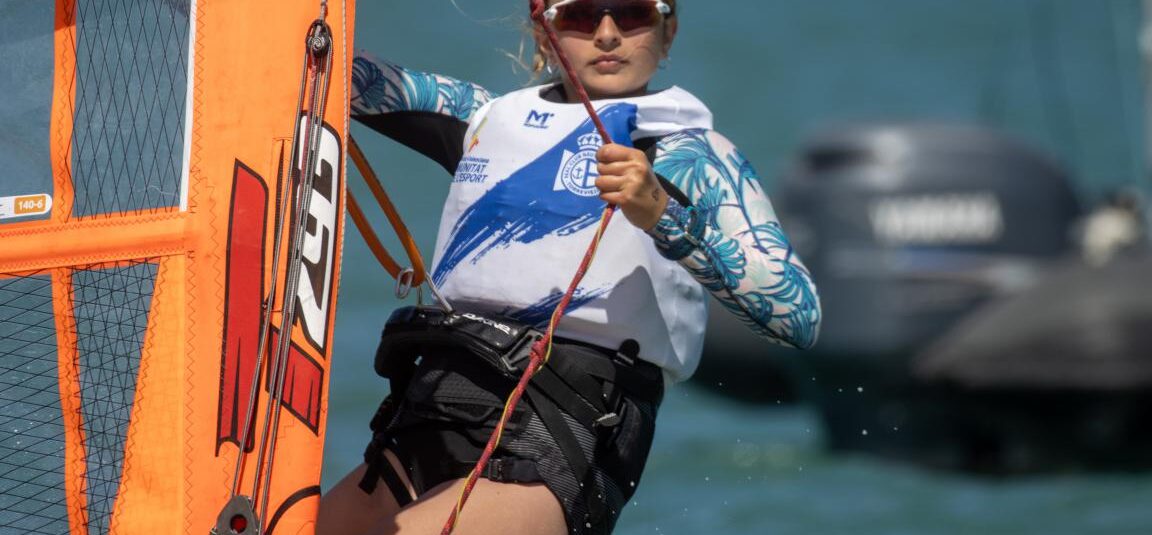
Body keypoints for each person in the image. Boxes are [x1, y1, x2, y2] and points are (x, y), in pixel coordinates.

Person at [318, 1, 821, 534]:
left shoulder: (694, 157)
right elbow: (322, 66)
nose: (607, 34)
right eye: (579, 16)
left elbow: (798, 315)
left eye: (632, 15)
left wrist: (662, 215)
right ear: (545, 32)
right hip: (430, 412)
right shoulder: (484, 118)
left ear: (668, 31)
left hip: (563, 432)